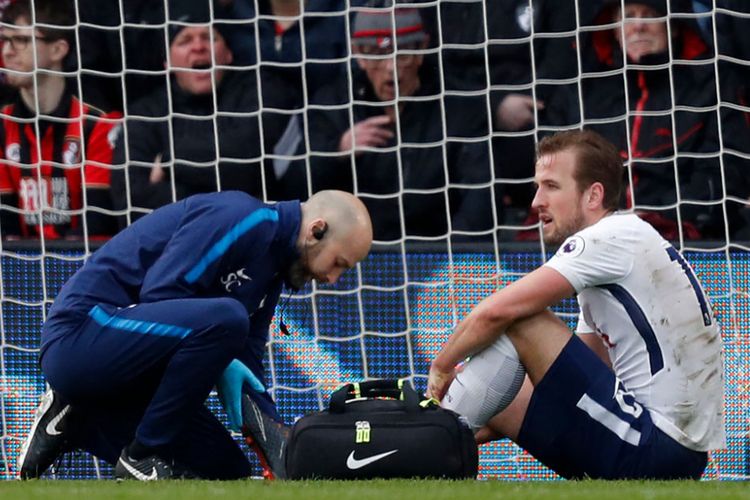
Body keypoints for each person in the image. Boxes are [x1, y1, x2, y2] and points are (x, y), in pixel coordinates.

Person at [427, 129, 725, 479]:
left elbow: (499, 311)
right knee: (496, 385)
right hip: (671, 453)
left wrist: (442, 367)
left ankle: (429, 441)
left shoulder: (604, 239)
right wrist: (475, 415)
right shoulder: (623, 245)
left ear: (593, 195)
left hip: (656, 447)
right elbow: (580, 371)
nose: (537, 201)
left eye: (551, 186)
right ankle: (432, 444)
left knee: (525, 320)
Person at [16, 189, 373, 480]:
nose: (332, 279)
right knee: (228, 319)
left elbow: (247, 361)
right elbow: (161, 295)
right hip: (80, 339)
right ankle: (141, 455)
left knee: (227, 470)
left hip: (127, 374)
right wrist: (221, 350)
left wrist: (276, 441)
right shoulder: (242, 217)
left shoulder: (274, 272)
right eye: (339, 264)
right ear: (316, 230)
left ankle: (76, 418)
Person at [541, 0, 748, 240]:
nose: (638, 26)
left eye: (650, 15)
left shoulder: (712, 87)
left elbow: (726, 171)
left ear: (673, 26)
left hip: (686, 236)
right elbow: (554, 167)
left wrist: (658, 216)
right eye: (628, 15)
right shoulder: (579, 90)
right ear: (614, 28)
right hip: (589, 236)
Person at [289, 4, 493, 241]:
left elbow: (481, 198)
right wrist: (337, 151)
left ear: (422, 49)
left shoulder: (459, 107)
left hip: (438, 251)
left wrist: (450, 260)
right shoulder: (332, 106)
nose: (391, 69)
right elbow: (295, 191)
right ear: (357, 54)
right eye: (377, 55)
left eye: (402, 54)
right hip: (352, 254)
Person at [110, 1, 263, 227]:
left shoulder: (259, 95)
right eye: (184, 40)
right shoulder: (145, 114)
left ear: (229, 53)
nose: (198, 47)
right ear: (167, 62)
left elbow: (251, 169)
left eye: (209, 37)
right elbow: (130, 200)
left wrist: (169, 164)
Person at [0, 0, 121, 240]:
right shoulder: (2, 125)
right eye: (4, 40)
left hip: (84, 265)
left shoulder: (98, 123)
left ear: (58, 49)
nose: (7, 52)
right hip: (19, 267)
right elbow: (6, 224)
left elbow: (98, 224)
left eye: (22, 40)